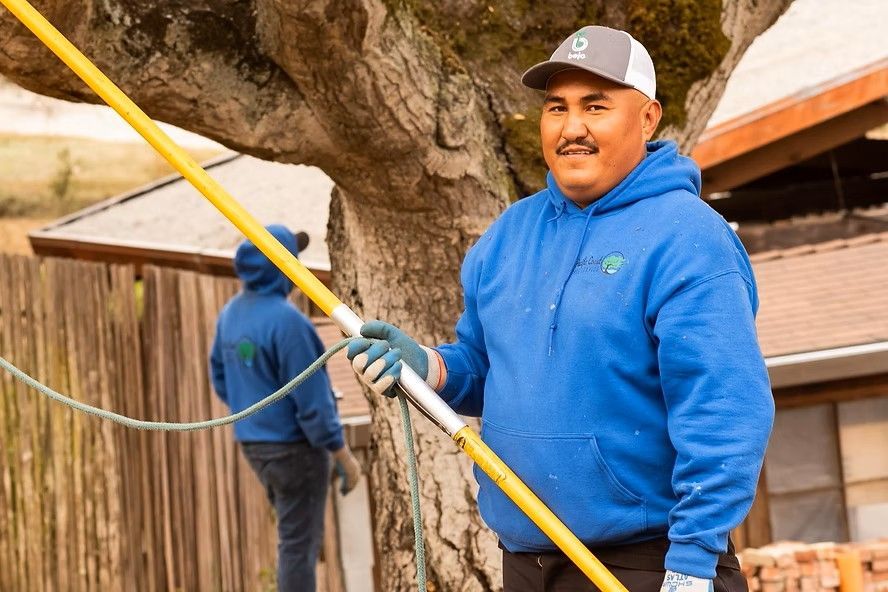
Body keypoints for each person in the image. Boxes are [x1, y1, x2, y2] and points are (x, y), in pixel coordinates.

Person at [347, 26, 774, 592]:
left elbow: (724, 411)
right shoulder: (508, 235)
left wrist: (692, 561)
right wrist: (429, 369)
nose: (573, 128)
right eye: (557, 108)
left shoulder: (688, 238)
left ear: (647, 119)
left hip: (649, 564)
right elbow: (486, 366)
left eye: (596, 106)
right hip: (526, 562)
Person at [210, 224, 362, 592]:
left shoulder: (231, 314)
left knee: (290, 537)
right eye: (293, 259)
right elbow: (313, 399)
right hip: (295, 450)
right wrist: (342, 455)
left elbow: (219, 376)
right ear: (281, 267)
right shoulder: (288, 322)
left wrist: (258, 414)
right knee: (299, 545)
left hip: (255, 446)